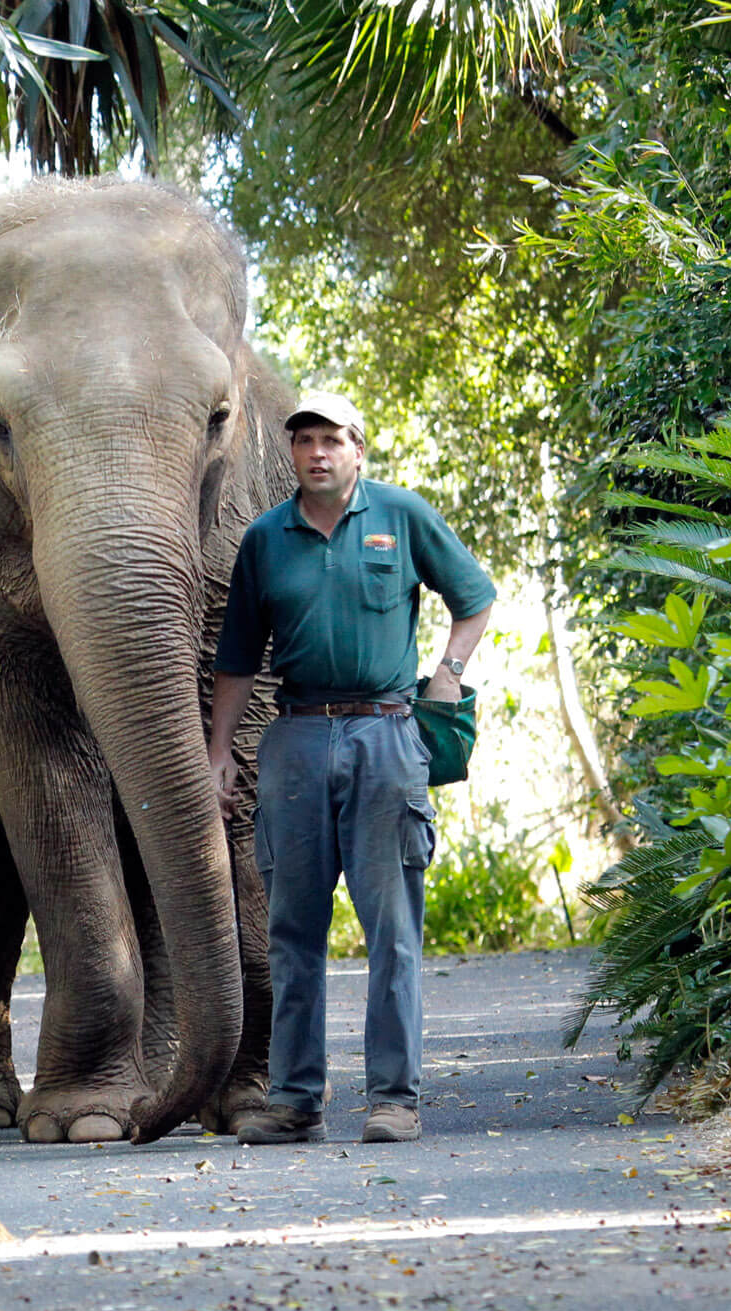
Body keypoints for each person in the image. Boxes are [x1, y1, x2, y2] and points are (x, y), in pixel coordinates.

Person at [207, 390, 494, 1146]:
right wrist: (218, 754)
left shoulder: (401, 516)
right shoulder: (266, 540)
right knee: (292, 930)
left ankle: (394, 1098)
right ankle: (297, 1099)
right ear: (292, 453)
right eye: (305, 441)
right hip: (296, 739)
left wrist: (449, 673)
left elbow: (475, 597)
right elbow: (236, 660)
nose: (318, 453)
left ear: (357, 449)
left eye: (332, 439)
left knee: (391, 928)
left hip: (387, 735)